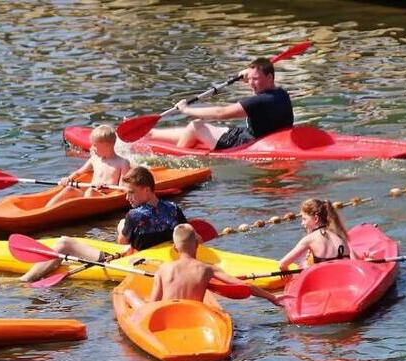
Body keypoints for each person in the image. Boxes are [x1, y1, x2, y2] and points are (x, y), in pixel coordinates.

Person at [20, 166, 187, 282]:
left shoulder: (135, 215)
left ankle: (25, 279)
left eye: (131, 192)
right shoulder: (173, 208)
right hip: (159, 256)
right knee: (122, 223)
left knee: (64, 243)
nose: (127, 197)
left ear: (147, 190)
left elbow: (122, 243)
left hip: (129, 261)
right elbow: (187, 234)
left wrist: (122, 228)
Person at [124, 224, 283, 310]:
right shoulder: (207, 269)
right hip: (194, 314)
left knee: (128, 293)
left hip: (166, 314)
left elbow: (154, 304)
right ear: (197, 245)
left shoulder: (163, 269)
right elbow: (244, 285)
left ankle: (128, 297)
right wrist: (273, 298)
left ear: (175, 248)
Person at [147, 57, 293, 150]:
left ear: (270, 77)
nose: (250, 83)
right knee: (195, 130)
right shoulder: (281, 94)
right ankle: (150, 134)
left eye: (255, 79)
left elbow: (221, 113)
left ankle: (176, 159)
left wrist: (186, 109)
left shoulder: (260, 101)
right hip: (251, 135)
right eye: (249, 79)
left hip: (248, 143)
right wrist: (251, 74)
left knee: (195, 126)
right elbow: (260, 92)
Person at [45, 124, 130, 208]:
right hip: (91, 192)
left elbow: (122, 188)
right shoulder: (94, 159)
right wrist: (68, 179)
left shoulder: (122, 163)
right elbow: (78, 173)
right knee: (69, 189)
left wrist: (107, 188)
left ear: (108, 145)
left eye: (95, 145)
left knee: (90, 192)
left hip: (107, 196)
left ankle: (81, 210)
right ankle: (47, 209)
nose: (92, 148)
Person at [278, 198, 356, 270]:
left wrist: (289, 273)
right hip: (346, 274)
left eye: (304, 219)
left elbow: (282, 264)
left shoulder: (309, 239)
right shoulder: (340, 235)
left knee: (304, 264)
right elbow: (354, 260)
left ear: (316, 218)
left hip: (326, 277)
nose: (302, 223)